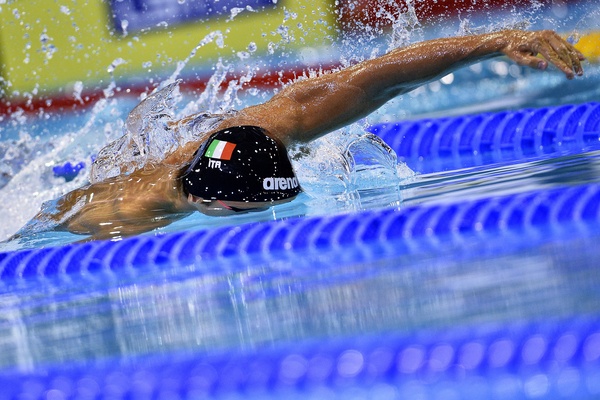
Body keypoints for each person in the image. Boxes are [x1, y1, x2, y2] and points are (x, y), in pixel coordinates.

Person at [13, 29, 585, 242]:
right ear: (214, 202)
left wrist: (494, 41)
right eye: (248, 210)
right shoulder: (123, 225)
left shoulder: (247, 134)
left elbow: (366, 84)